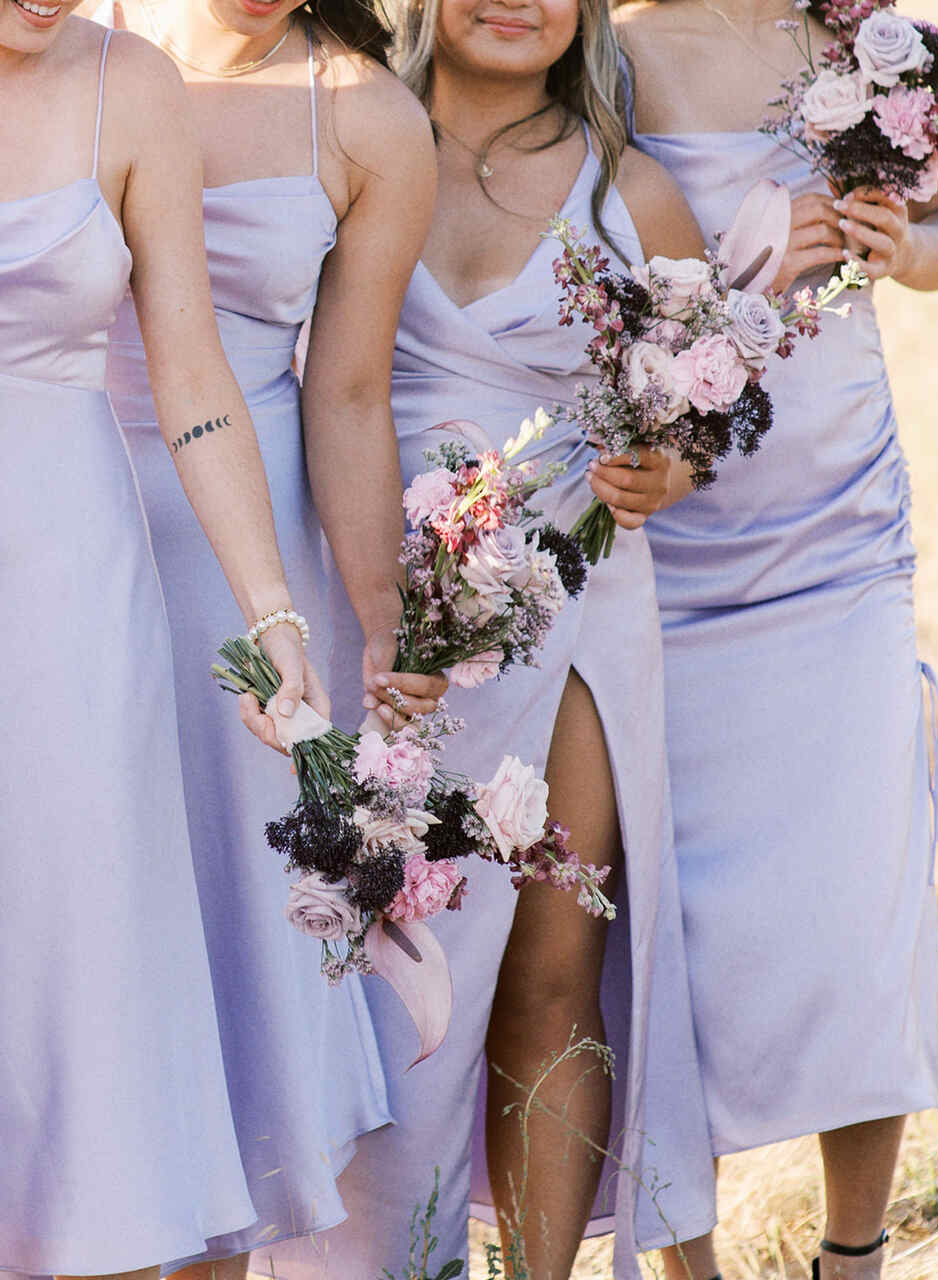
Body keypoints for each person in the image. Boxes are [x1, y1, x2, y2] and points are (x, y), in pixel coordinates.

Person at [248, 0, 714, 1275]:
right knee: (377, 953)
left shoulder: (637, 195)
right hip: (372, 604)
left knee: (553, 959)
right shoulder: (348, 143)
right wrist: (368, 610)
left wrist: (664, 469)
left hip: (569, 610)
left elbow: (701, 409)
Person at [85, 0, 447, 1275]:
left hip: (247, 566)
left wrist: (379, 619)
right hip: (63, 503)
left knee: (228, 946)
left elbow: (346, 392)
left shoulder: (372, 120)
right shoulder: (67, 35)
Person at [608, 1, 938, 1275]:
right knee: (668, 932)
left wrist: (910, 249)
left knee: (861, 897)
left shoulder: (880, 48)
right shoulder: (607, 48)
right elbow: (584, 260)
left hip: (840, 522)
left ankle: (854, 1254)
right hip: (674, 532)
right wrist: (745, 249)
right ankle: (684, 1264)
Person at [0, 3, 331, 1276]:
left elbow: (191, 372)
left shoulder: (130, 86)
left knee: (81, 958)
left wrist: (274, 611)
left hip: (76, 589)